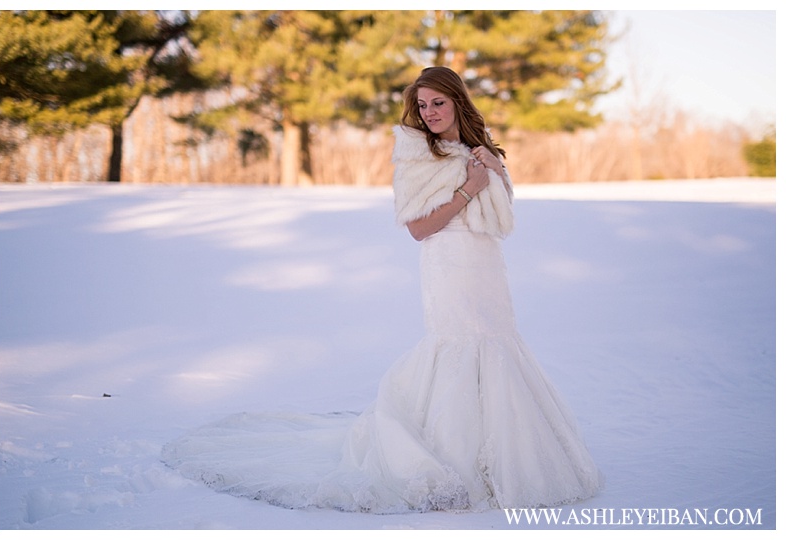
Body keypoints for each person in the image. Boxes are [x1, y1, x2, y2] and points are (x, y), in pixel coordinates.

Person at [162, 66, 601, 513]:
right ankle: (450, 457)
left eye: (438, 103)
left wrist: (494, 171)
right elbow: (417, 227)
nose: (429, 113)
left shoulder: (480, 149)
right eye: (422, 105)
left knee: (497, 345)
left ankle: (506, 461)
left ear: (458, 102)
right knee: (458, 347)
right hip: (447, 266)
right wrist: (467, 190)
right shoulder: (416, 155)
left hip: (487, 267)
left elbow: (503, 214)